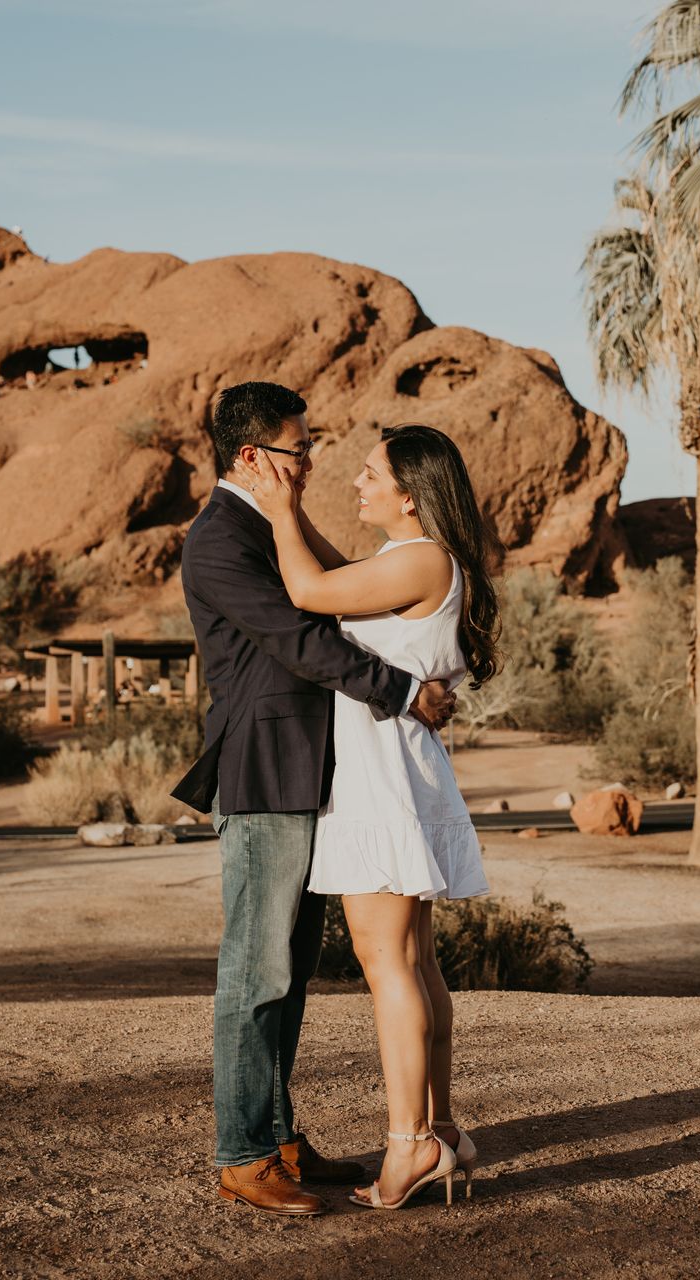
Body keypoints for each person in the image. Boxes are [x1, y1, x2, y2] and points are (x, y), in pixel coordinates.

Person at [169, 383, 460, 1218]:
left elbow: (347, 588)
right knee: (255, 969)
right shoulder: (220, 540)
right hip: (264, 771)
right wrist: (405, 692)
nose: (312, 461)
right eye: (299, 449)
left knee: (288, 972)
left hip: (319, 772)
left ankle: (279, 1136)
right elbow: (301, 641)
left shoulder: (266, 526)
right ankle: (243, 1154)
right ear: (254, 457)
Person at [245, 422, 496, 1211]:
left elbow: (310, 593)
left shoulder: (421, 559)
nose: (356, 483)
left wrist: (282, 511)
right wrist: (291, 513)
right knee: (415, 963)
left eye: (369, 473)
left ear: (411, 496)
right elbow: (337, 573)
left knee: (387, 962)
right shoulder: (411, 558)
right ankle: (439, 1129)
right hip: (397, 767)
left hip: (382, 776)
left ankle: (408, 1147)